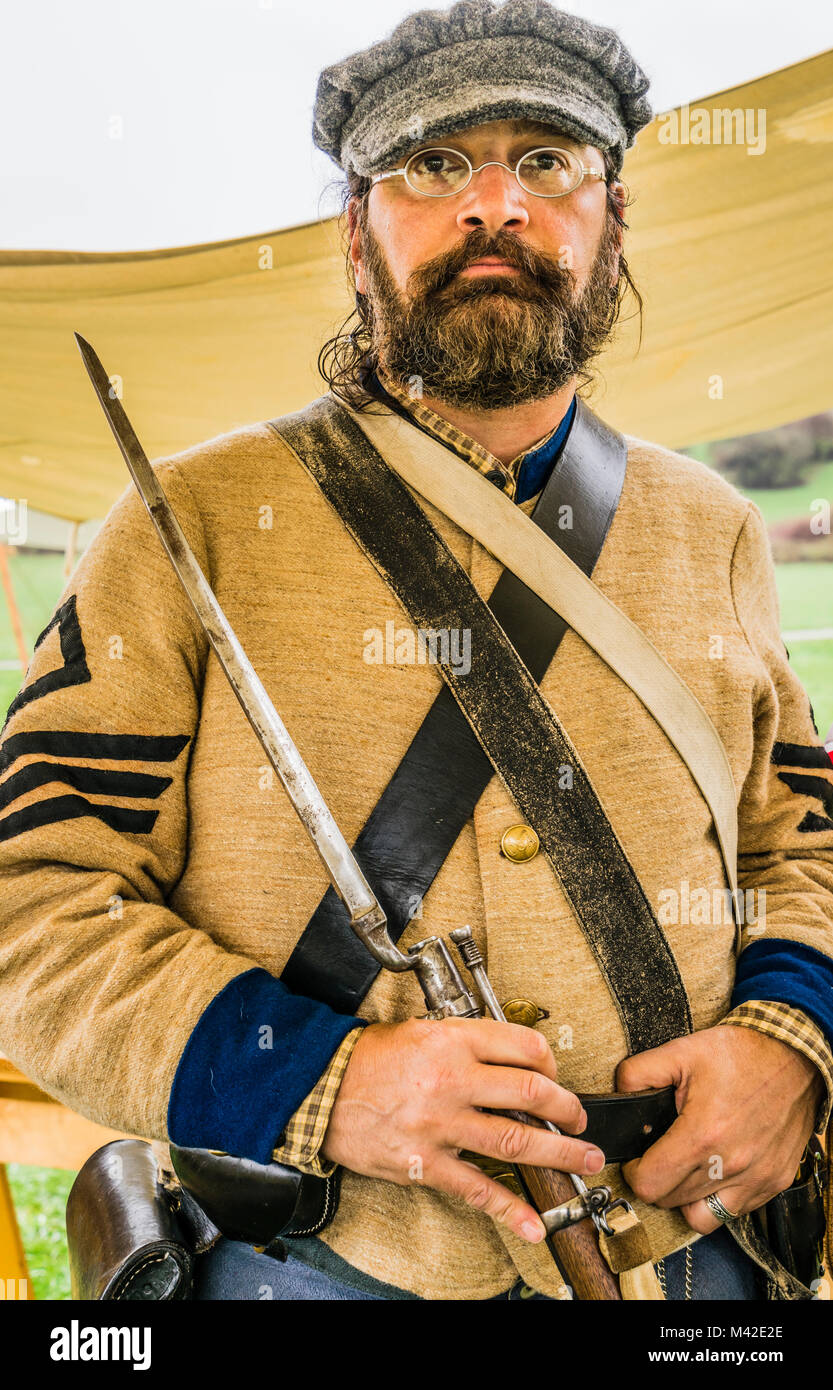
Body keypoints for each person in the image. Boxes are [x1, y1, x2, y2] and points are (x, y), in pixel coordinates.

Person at [1, 0, 831, 1302]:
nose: (490, 206)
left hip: (687, 1258)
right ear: (354, 229)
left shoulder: (715, 527)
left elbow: (798, 840)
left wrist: (789, 1031)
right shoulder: (183, 524)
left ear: (614, 220)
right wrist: (321, 1081)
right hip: (315, 1261)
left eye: (547, 162)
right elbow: (30, 903)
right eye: (431, 165)